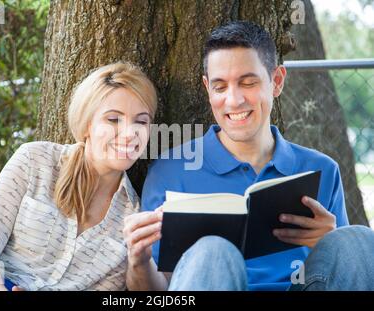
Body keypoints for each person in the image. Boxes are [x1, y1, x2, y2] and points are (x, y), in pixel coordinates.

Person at [123, 21, 374, 291]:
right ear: (208, 89)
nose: (234, 100)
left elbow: (343, 270)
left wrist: (330, 241)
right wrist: (138, 262)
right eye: (220, 87)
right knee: (213, 250)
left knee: (358, 239)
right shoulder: (169, 171)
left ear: (276, 81)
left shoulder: (321, 169)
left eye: (248, 83)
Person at [0, 62, 158, 291]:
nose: (129, 134)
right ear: (87, 124)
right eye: (113, 119)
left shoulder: (133, 216)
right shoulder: (36, 160)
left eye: (141, 121)